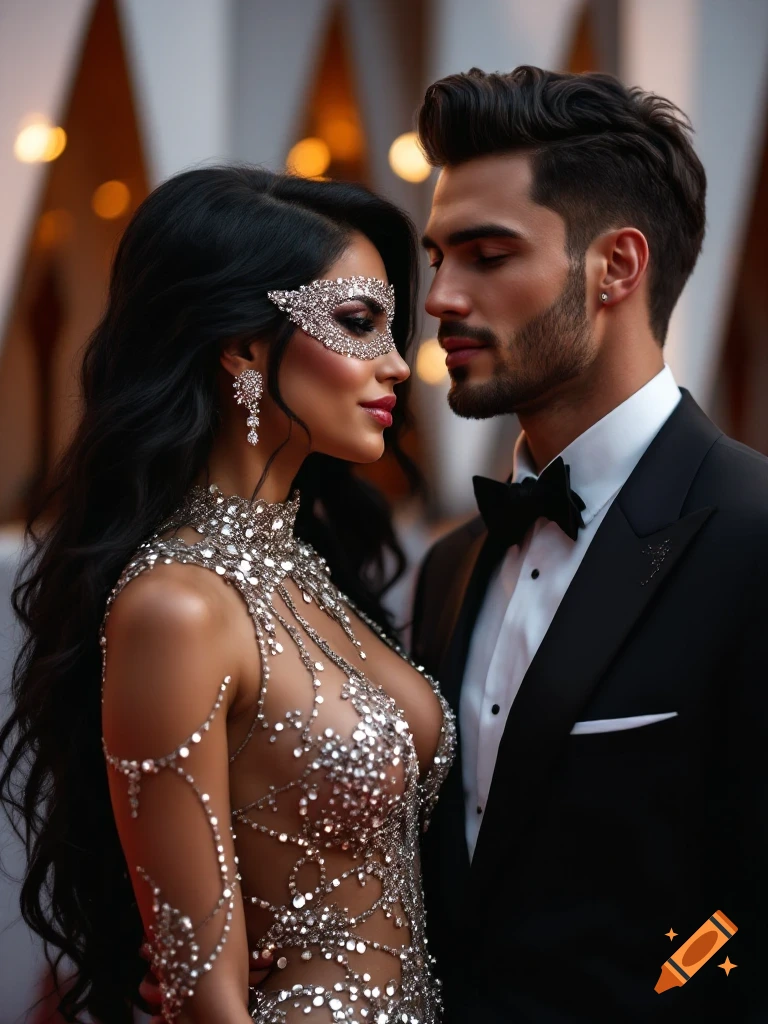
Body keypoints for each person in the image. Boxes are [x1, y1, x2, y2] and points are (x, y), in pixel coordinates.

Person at [0, 167, 455, 1024]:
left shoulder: (310, 573)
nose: (398, 363)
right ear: (241, 347)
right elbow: (204, 999)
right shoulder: (177, 609)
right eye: (359, 323)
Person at [411, 66, 768, 1022]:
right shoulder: (450, 568)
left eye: (486, 254)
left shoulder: (755, 535)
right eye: (436, 257)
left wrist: (672, 992)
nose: (440, 297)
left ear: (615, 267)